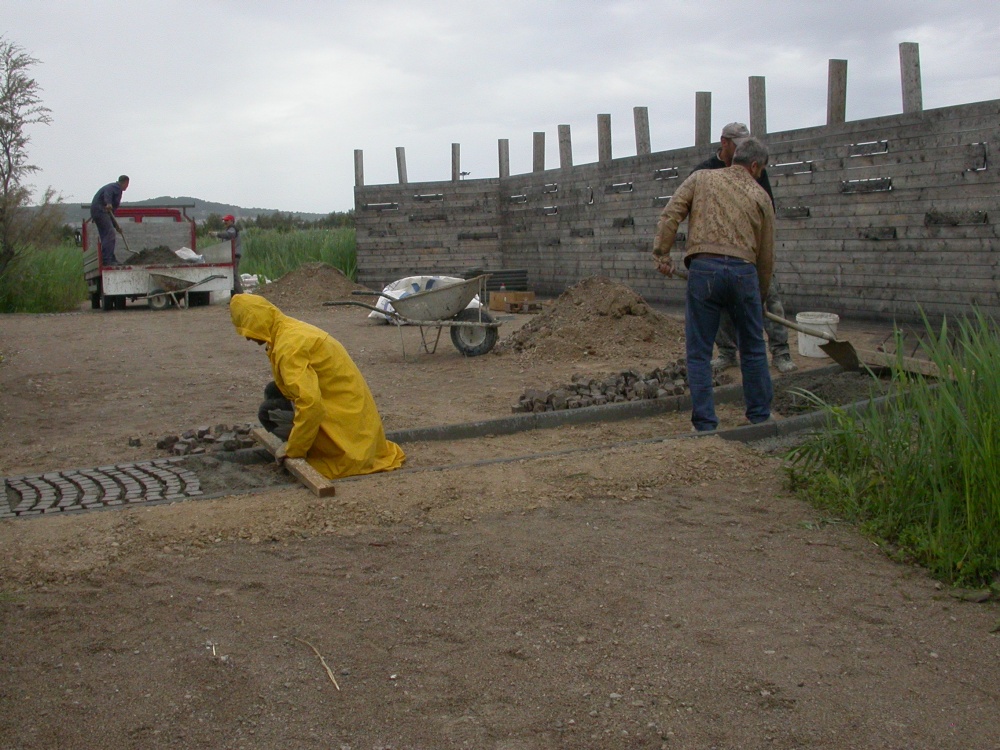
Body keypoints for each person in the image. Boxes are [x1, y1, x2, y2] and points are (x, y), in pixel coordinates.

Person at [653, 137, 775, 432]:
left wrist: (662, 254)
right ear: (755, 166)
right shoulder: (760, 196)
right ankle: (759, 417)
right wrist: (758, 296)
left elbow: (671, 214)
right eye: (760, 170)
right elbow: (766, 254)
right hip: (743, 272)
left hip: (704, 270)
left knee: (699, 352)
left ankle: (705, 424)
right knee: (754, 348)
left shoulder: (701, 178)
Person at [229, 294, 406, 480]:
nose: (248, 337)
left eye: (247, 329)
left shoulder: (289, 346)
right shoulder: (288, 329)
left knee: (267, 411)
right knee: (274, 390)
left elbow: (310, 404)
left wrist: (294, 450)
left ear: (257, 322)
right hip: (352, 416)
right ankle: (308, 440)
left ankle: (313, 448)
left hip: (347, 435)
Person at [691, 123, 796, 374]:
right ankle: (728, 353)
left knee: (770, 298)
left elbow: (767, 207)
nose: (742, 152)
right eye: (737, 146)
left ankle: (781, 352)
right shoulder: (705, 171)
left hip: (751, 249)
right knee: (722, 304)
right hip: (717, 251)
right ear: (724, 143)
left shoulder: (754, 166)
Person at [89, 175, 129, 266]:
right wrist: (108, 203)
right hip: (100, 210)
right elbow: (108, 192)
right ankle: (107, 260)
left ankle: (109, 257)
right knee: (110, 233)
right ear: (126, 182)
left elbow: (111, 214)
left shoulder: (117, 190)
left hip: (99, 212)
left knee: (106, 235)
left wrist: (116, 226)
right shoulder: (115, 187)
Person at [215, 214, 243, 294]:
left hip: (234, 256)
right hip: (231, 256)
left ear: (231, 221)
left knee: (233, 277)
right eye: (224, 220)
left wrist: (217, 234)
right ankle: (234, 297)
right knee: (231, 276)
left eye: (226, 220)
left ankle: (241, 295)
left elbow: (229, 235)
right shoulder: (230, 229)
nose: (225, 222)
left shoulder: (232, 229)